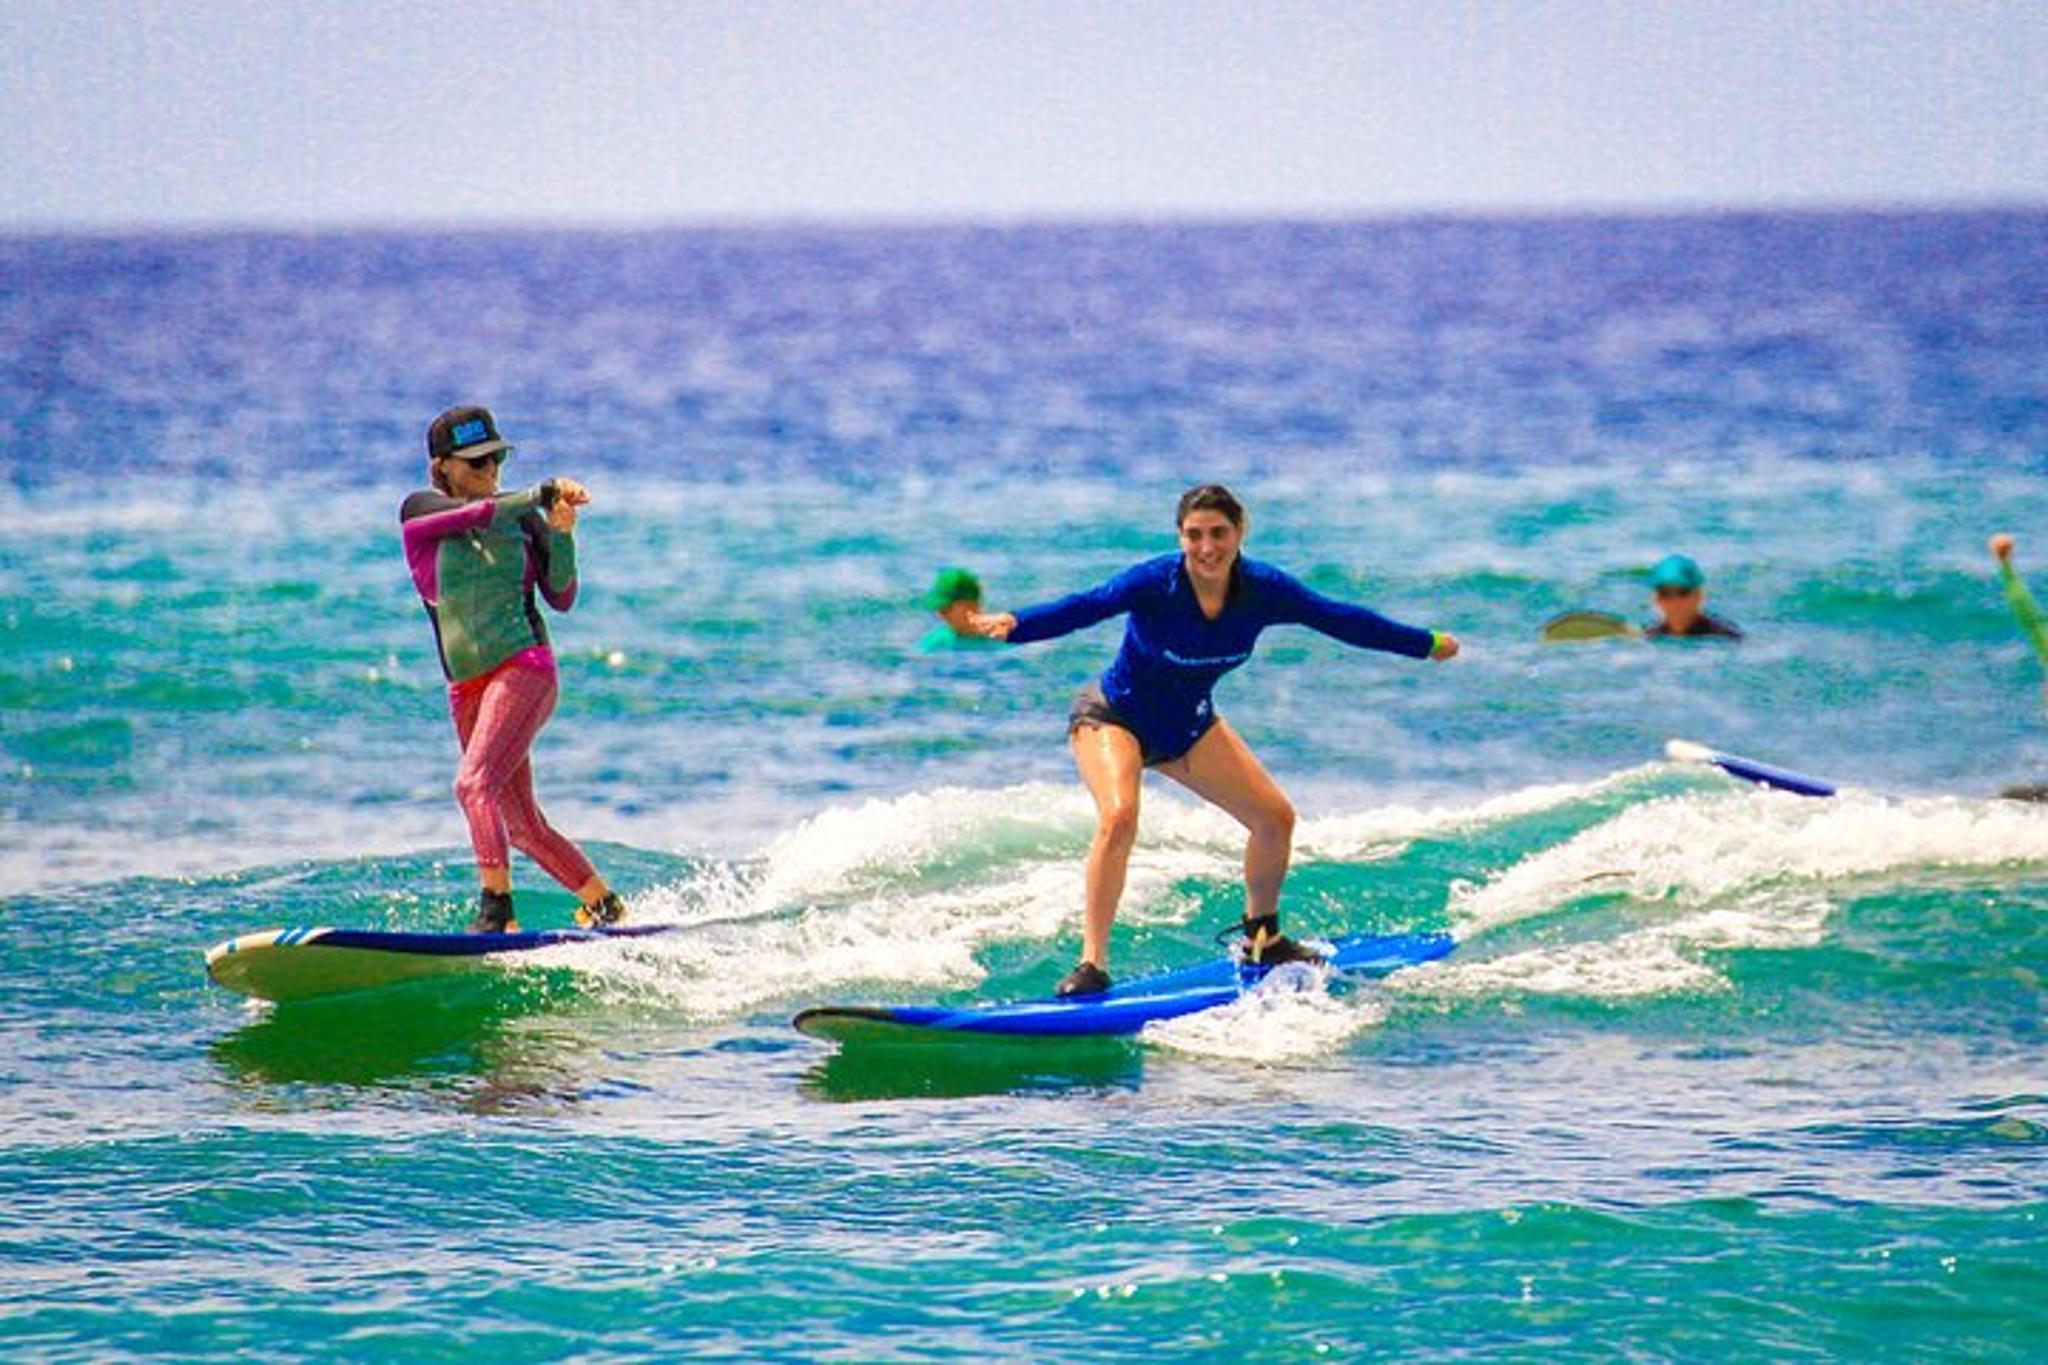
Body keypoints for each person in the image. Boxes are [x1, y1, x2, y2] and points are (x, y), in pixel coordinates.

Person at [964, 483, 1459, 996]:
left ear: (1240, 532)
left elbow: (1340, 619)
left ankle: (1263, 939)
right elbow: (1087, 605)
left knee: (1274, 819)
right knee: (1119, 816)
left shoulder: (1264, 589)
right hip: (1113, 717)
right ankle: (1092, 964)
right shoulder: (1156, 582)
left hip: (1188, 727)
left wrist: (1424, 644)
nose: (1207, 547)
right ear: (1179, 537)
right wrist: (1018, 624)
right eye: (1194, 535)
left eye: (1218, 533)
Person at [399, 405, 626, 933]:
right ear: (443, 468)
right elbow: (471, 517)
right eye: (475, 464)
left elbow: (562, 595)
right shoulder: (421, 515)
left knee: (472, 784)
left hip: (525, 669)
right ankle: (604, 905)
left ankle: (497, 912)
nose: (489, 473)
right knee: (521, 824)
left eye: (496, 460)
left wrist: (561, 532)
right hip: (467, 687)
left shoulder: (523, 520)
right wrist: (538, 492)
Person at [1644, 554, 1743, 639]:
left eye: (1682, 592)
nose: (1674, 601)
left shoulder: (1725, 637)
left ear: (1699, 596)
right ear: (1656, 599)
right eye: (1665, 594)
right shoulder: (1651, 635)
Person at [917, 567, 1004, 653]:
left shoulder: (1005, 640)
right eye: (939, 609)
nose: (941, 615)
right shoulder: (934, 643)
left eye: (946, 609)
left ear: (969, 606)